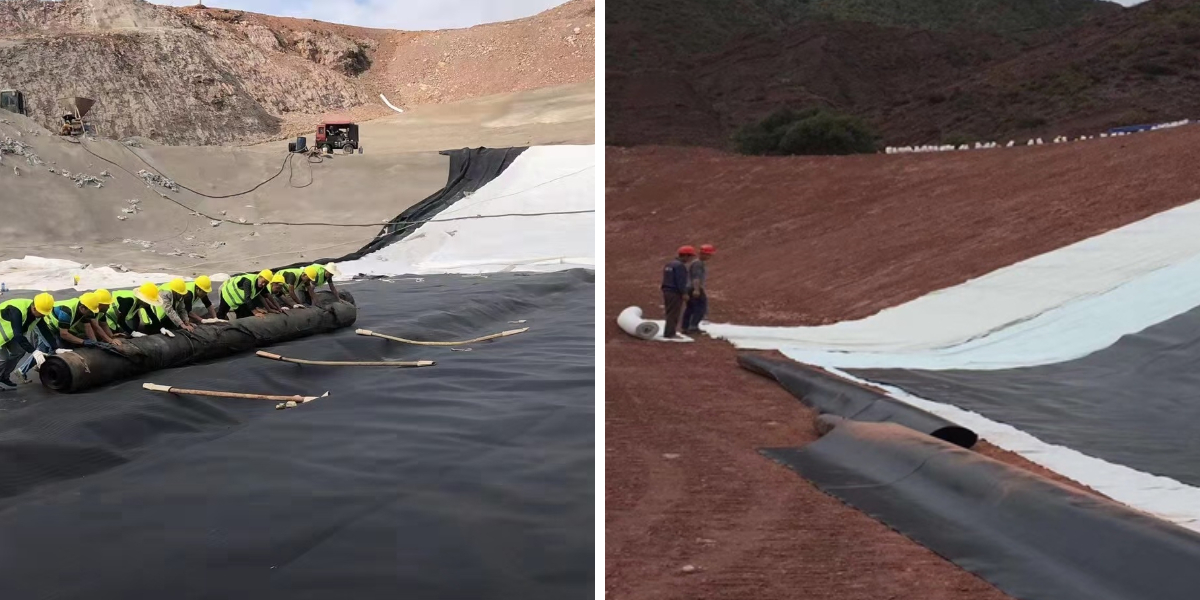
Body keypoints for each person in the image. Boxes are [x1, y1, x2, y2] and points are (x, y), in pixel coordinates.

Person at [0, 293, 54, 390]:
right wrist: (34, 351)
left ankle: (3, 376)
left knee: (19, 351)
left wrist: (56, 347)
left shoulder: (37, 313)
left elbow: (45, 330)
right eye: (41, 313)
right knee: (3, 358)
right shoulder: (16, 311)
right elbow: (18, 335)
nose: (42, 316)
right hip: (5, 335)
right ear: (34, 308)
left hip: (9, 334)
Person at [218, 269, 282, 320]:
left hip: (239, 300)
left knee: (244, 315)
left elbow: (268, 296)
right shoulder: (248, 281)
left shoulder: (262, 286)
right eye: (263, 282)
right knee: (222, 313)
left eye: (266, 283)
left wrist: (278, 308)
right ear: (259, 277)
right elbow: (247, 298)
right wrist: (255, 312)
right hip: (227, 293)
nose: (263, 284)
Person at [661, 246, 695, 339]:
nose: (690, 259)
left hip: (667, 290)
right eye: (690, 256)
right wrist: (684, 293)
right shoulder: (680, 266)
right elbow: (680, 281)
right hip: (674, 292)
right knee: (674, 313)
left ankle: (669, 331)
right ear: (686, 256)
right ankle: (670, 333)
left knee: (670, 312)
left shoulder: (670, 264)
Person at [682, 244, 715, 334]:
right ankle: (693, 326)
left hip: (690, 287)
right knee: (700, 308)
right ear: (704, 254)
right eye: (709, 255)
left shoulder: (696, 263)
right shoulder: (698, 264)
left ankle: (686, 327)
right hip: (694, 288)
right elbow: (696, 278)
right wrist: (696, 289)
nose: (709, 257)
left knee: (690, 308)